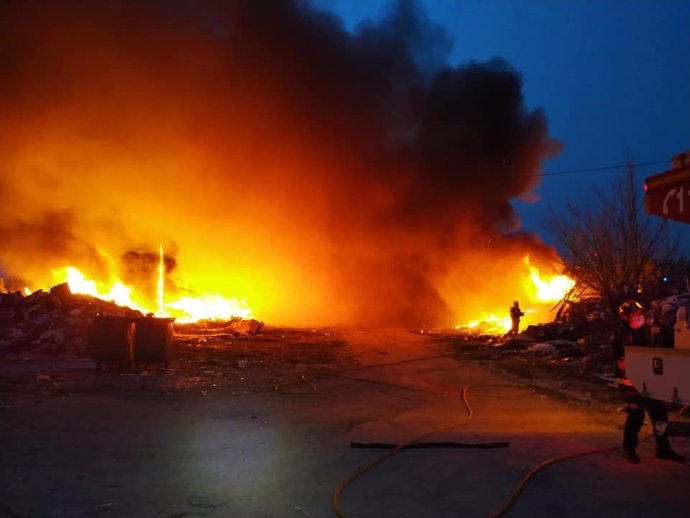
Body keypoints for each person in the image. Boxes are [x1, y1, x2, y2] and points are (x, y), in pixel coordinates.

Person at [613, 299, 686, 464]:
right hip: (630, 384)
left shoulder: (645, 331)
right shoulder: (621, 335)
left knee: (659, 414)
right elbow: (621, 361)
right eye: (634, 314)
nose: (638, 317)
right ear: (625, 317)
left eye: (639, 314)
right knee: (636, 416)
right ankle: (629, 447)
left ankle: (663, 449)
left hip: (648, 381)